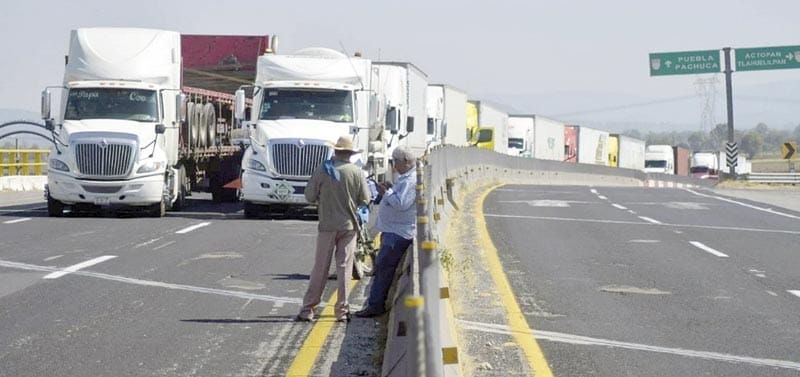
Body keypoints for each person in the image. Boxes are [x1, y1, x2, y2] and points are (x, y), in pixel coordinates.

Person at [296, 136, 370, 323]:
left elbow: (309, 196)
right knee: (344, 268)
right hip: (349, 227)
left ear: (335, 152)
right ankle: (342, 311)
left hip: (327, 226)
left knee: (320, 268)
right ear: (351, 154)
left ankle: (308, 309)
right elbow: (365, 199)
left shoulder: (323, 169)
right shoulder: (357, 172)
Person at [355, 146, 417, 318]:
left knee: (384, 268)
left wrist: (386, 192)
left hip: (398, 232)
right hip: (394, 230)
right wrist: (391, 190)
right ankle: (376, 303)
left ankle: (376, 305)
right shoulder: (406, 178)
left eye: (395, 161)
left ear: (405, 161)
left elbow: (401, 204)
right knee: (382, 267)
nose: (394, 165)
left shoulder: (410, 181)